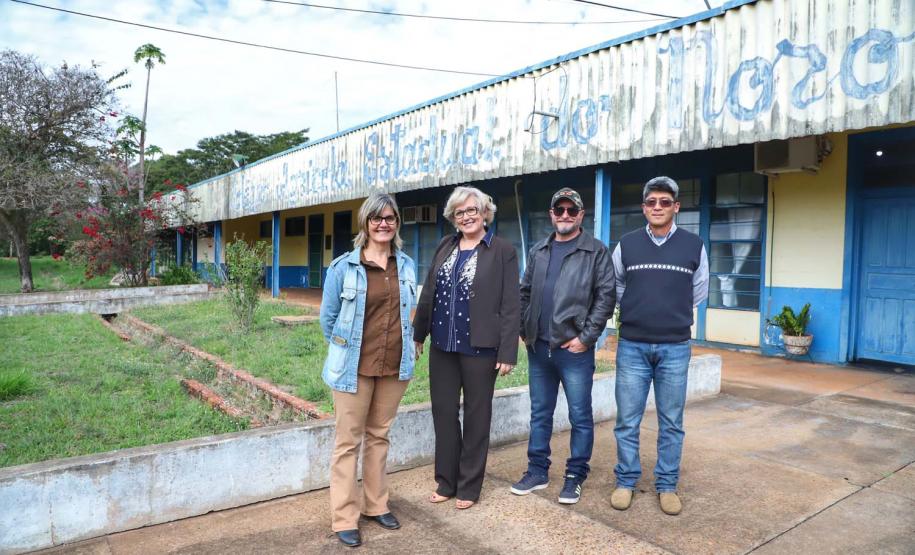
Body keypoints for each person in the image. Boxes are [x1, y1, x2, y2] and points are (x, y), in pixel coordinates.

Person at [319, 192, 418, 548]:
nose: (383, 224)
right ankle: (345, 517)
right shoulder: (343, 267)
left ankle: (377, 505)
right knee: (348, 442)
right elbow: (328, 320)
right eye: (377, 218)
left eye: (390, 218)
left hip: (393, 367)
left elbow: (410, 311)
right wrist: (348, 350)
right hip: (353, 370)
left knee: (379, 436)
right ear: (366, 222)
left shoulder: (405, 265)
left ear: (397, 224)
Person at [412, 186, 520, 510]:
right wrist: (419, 334)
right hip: (443, 346)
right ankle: (446, 481)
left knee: (477, 416)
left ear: (485, 212)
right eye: (460, 212)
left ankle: (469, 487)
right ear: (453, 219)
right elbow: (429, 291)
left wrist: (507, 351)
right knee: (444, 413)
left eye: (472, 210)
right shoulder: (446, 246)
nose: (467, 216)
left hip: (481, 348)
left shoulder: (502, 250)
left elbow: (511, 303)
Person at [610, 176, 709, 516]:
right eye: (651, 202)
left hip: (675, 347)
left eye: (664, 202)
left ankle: (666, 485)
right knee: (627, 420)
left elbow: (698, 290)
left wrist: (669, 312)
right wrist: (641, 308)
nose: (657, 207)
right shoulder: (627, 243)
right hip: (633, 346)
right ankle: (626, 481)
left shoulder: (694, 245)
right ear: (643, 207)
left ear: (676, 207)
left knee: (671, 421)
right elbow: (618, 287)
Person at [511, 188, 615, 504]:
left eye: (572, 210)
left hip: (574, 352)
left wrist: (585, 338)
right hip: (539, 349)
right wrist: (523, 329)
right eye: (560, 210)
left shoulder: (596, 252)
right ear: (552, 214)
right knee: (540, 413)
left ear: (581, 215)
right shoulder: (540, 250)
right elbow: (524, 293)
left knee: (580, 415)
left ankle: (575, 476)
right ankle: (537, 470)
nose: (566, 215)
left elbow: (606, 297)